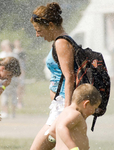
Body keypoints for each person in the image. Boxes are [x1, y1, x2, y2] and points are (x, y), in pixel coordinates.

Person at [30, 2, 76, 150]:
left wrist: (67, 111)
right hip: (59, 106)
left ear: (50, 25)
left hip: (63, 106)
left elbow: (70, 77)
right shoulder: (61, 41)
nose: (37, 34)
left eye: (39, 30)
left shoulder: (62, 42)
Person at [47, 84, 102, 150]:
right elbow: (61, 127)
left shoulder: (64, 112)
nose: (94, 111)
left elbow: (52, 131)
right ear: (86, 104)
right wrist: (73, 147)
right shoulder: (76, 114)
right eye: (95, 108)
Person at [0, 40, 18, 118]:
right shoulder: (2, 54)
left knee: (13, 95)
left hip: (13, 79)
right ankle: (5, 111)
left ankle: (13, 112)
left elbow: (17, 67)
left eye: (5, 46)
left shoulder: (14, 55)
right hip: (3, 79)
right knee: (4, 95)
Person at [13, 40, 26, 109]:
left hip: (22, 70)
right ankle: (18, 102)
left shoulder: (22, 51)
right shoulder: (14, 52)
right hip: (17, 71)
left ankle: (20, 101)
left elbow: (24, 61)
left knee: (22, 87)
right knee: (18, 87)